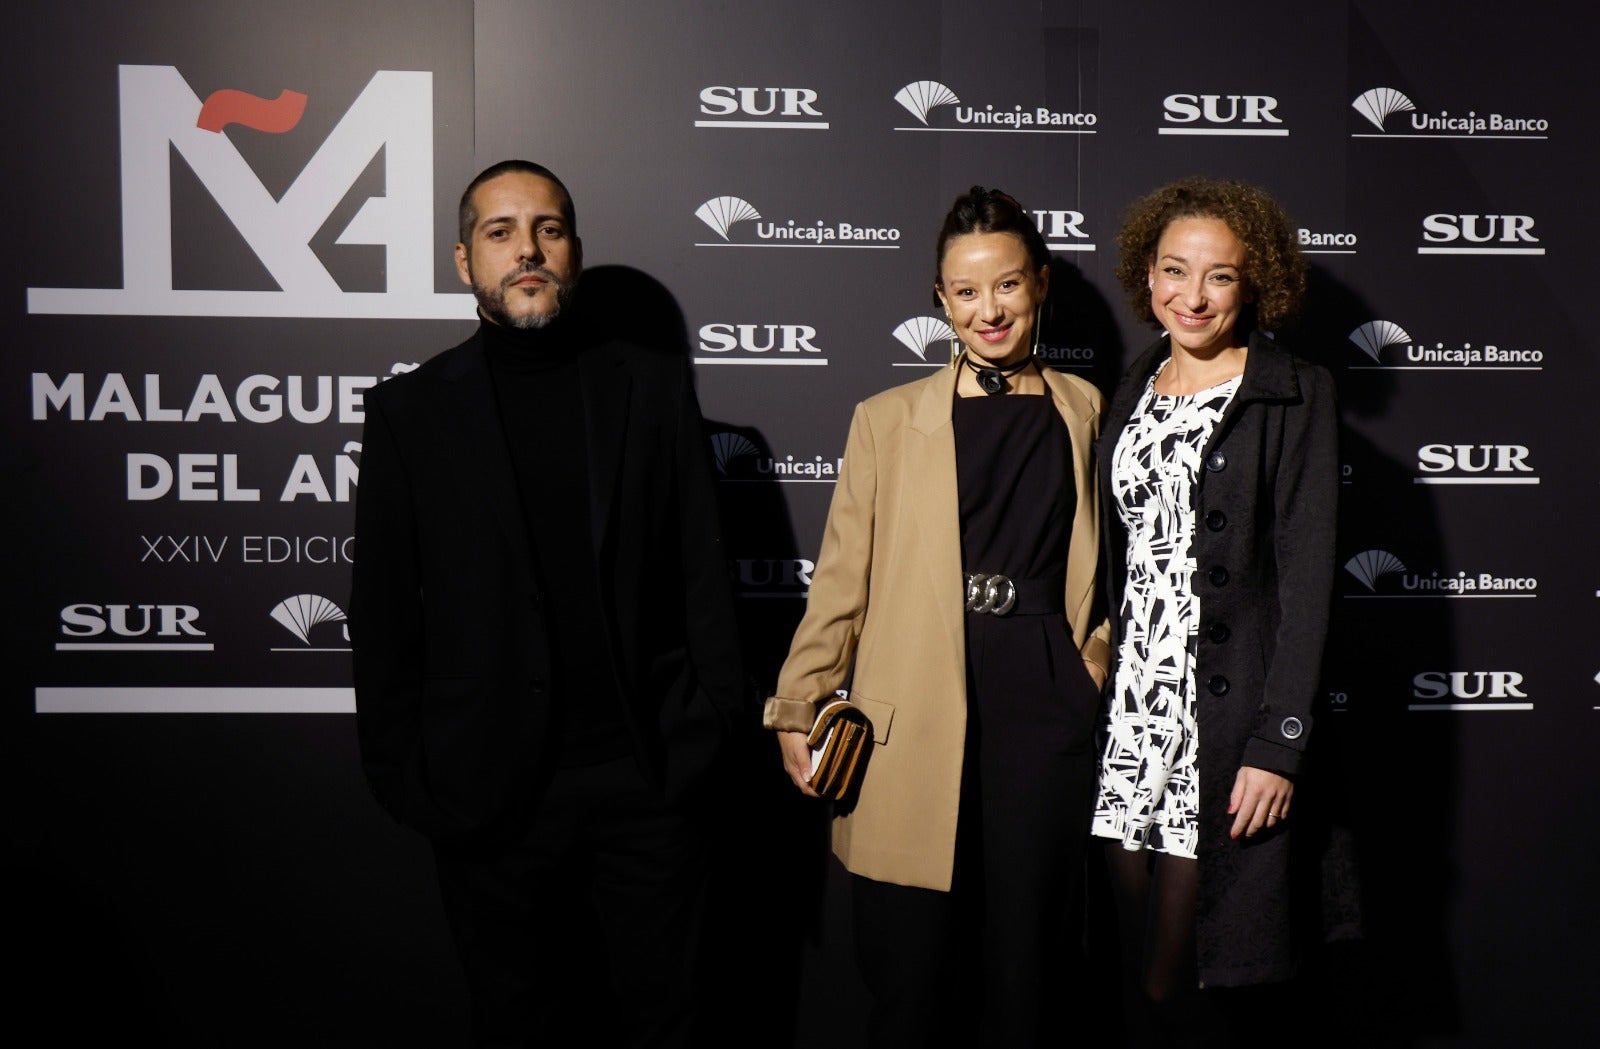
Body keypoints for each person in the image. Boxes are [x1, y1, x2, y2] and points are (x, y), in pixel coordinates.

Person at [350, 159, 743, 1047]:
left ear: (573, 248)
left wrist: (710, 728)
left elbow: (702, 578)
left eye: (548, 229)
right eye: (500, 233)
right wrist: (410, 780)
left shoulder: (649, 386)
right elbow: (383, 617)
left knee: (670, 1024)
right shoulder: (409, 413)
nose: (527, 249)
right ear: (464, 261)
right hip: (489, 799)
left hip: (649, 783)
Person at [763, 186, 1111, 1046]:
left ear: (1039, 286)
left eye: (1006, 286)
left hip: (1041, 701)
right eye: (964, 290)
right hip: (911, 707)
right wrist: (798, 701)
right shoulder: (885, 421)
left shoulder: (1087, 408)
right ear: (939, 301)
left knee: (1032, 976)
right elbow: (841, 580)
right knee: (910, 984)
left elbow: (1115, 571)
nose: (987, 309)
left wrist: (1091, 662)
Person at [1088, 176, 1337, 1044]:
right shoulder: (1133, 387)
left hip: (1223, 725)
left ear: (1254, 282)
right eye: (1173, 270)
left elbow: (1309, 583)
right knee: (1129, 977)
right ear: (1145, 276)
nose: (1191, 296)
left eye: (1219, 276)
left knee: (1185, 982)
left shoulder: (1292, 392)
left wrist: (1280, 745)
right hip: (1130, 719)